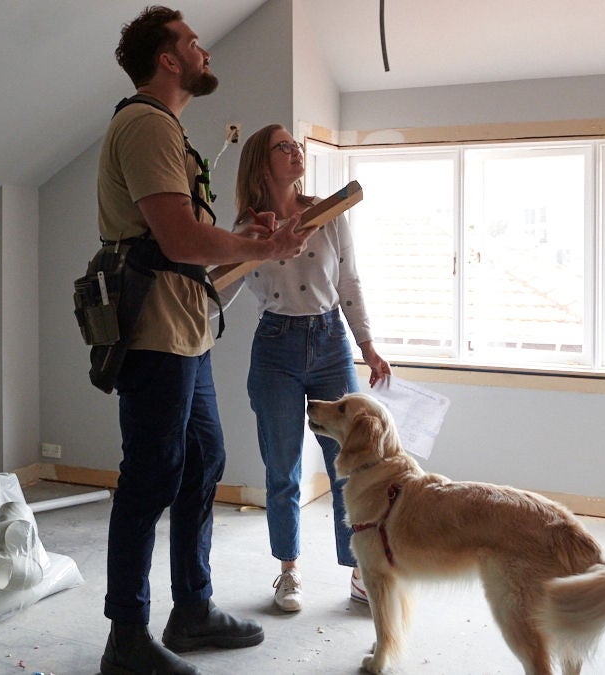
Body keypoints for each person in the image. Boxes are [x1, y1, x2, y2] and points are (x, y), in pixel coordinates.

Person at [95, 8, 309, 675]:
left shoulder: (170, 131)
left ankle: (191, 607)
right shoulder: (145, 125)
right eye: (192, 42)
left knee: (203, 457)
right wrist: (258, 243)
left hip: (183, 325)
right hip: (155, 328)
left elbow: (190, 243)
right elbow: (180, 239)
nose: (203, 49)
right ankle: (125, 637)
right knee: (150, 474)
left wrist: (245, 232)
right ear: (167, 59)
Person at [226, 124, 393, 612]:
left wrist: (368, 346)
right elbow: (223, 291)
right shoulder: (248, 227)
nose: (296, 152)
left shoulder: (327, 214)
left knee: (352, 464)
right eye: (284, 147)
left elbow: (349, 280)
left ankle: (360, 571)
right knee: (282, 468)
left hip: (329, 341)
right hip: (275, 346)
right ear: (263, 161)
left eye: (297, 145)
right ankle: (288, 571)